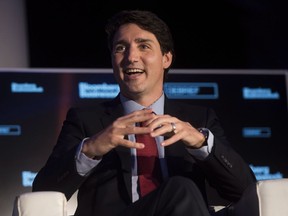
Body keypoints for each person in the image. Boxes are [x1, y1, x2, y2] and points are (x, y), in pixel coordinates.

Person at [32, 10, 256, 216]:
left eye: (144, 46)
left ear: (166, 58)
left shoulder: (199, 119)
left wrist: (201, 143)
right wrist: (90, 149)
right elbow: (43, 192)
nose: (131, 57)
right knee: (181, 188)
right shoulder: (86, 120)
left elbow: (247, 191)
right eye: (120, 48)